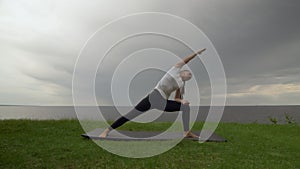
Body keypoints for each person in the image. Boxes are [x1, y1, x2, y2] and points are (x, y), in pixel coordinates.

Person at [99, 48, 206, 138]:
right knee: (131, 115)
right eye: (189, 73)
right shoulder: (174, 71)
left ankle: (186, 132)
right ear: (182, 71)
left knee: (185, 107)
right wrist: (196, 54)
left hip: (163, 102)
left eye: (190, 77)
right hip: (153, 97)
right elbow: (185, 61)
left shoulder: (181, 85)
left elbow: (176, 99)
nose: (190, 76)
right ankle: (107, 130)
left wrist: (182, 100)